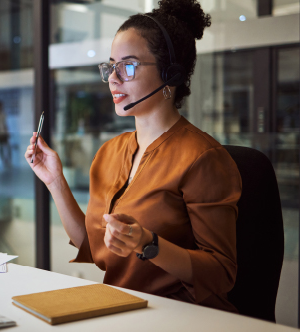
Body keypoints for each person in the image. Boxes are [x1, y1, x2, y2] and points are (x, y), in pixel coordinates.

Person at [25, 0, 242, 313]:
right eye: (110, 66)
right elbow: (93, 246)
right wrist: (55, 181)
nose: (113, 78)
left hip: (179, 316)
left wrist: (148, 244)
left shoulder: (203, 157)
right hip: (121, 308)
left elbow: (221, 274)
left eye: (127, 66)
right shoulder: (110, 152)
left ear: (170, 74)